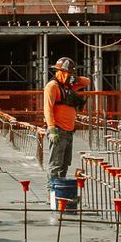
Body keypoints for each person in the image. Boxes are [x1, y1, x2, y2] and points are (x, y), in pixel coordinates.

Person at [43, 56, 92, 185]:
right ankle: (52, 193)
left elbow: (87, 81)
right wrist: (52, 129)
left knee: (64, 165)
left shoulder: (68, 86)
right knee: (55, 165)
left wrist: (75, 79)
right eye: (67, 73)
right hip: (58, 131)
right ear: (59, 72)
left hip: (69, 132)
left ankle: (61, 191)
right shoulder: (52, 86)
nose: (69, 76)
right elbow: (47, 109)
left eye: (71, 73)